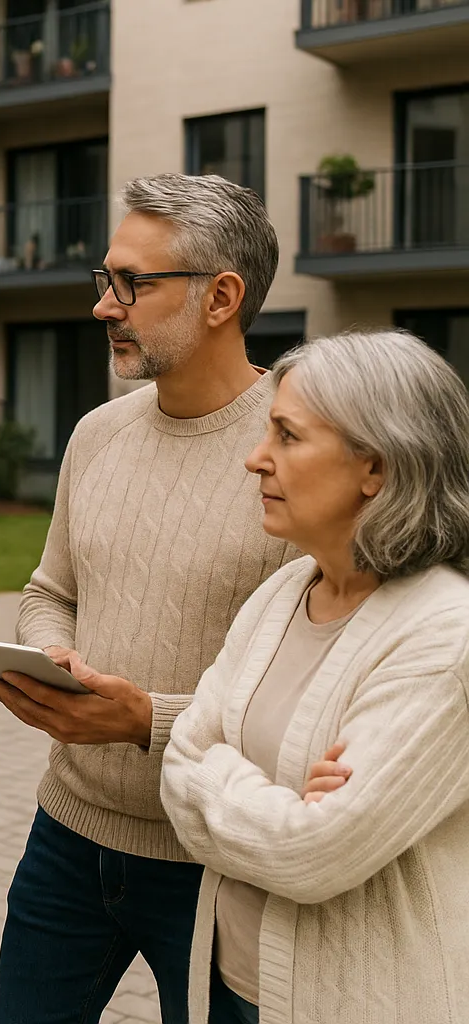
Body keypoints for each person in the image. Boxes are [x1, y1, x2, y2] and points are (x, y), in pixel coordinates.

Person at [0, 173, 297, 1024]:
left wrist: (145, 719)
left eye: (133, 283)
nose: (104, 306)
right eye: (105, 280)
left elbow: (315, 691)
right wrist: (53, 654)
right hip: (68, 835)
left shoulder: (300, 453)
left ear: (222, 296)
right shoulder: (97, 434)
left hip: (218, 858)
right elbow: (51, 590)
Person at [161, 329, 469, 1024]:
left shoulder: (445, 635)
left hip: (353, 1000)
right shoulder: (284, 592)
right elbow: (175, 760)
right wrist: (274, 795)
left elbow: (311, 855)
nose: (254, 459)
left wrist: (212, 770)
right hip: (229, 983)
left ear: (378, 468)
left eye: (287, 436)